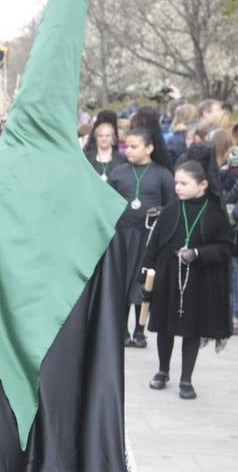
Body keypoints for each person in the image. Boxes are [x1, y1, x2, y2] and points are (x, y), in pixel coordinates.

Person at [143, 158, 233, 399]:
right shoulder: (172, 209)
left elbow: (226, 247)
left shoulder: (214, 213)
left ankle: (186, 379)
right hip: (168, 276)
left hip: (198, 281)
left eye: (184, 183)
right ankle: (163, 371)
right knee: (164, 328)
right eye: (176, 183)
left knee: (191, 330)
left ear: (202, 184)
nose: (178, 188)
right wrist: (146, 272)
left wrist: (198, 253)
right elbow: (154, 244)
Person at [109, 126, 175, 348]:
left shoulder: (163, 174)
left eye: (134, 146)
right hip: (122, 236)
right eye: (126, 146)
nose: (128, 150)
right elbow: (106, 200)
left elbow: (172, 204)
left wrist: (161, 211)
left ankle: (140, 330)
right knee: (123, 283)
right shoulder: (118, 172)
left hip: (148, 238)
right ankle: (123, 331)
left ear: (149, 148)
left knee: (143, 282)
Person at [83, 109, 124, 180]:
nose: (104, 138)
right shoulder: (87, 157)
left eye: (107, 136)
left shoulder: (121, 159)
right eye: (101, 136)